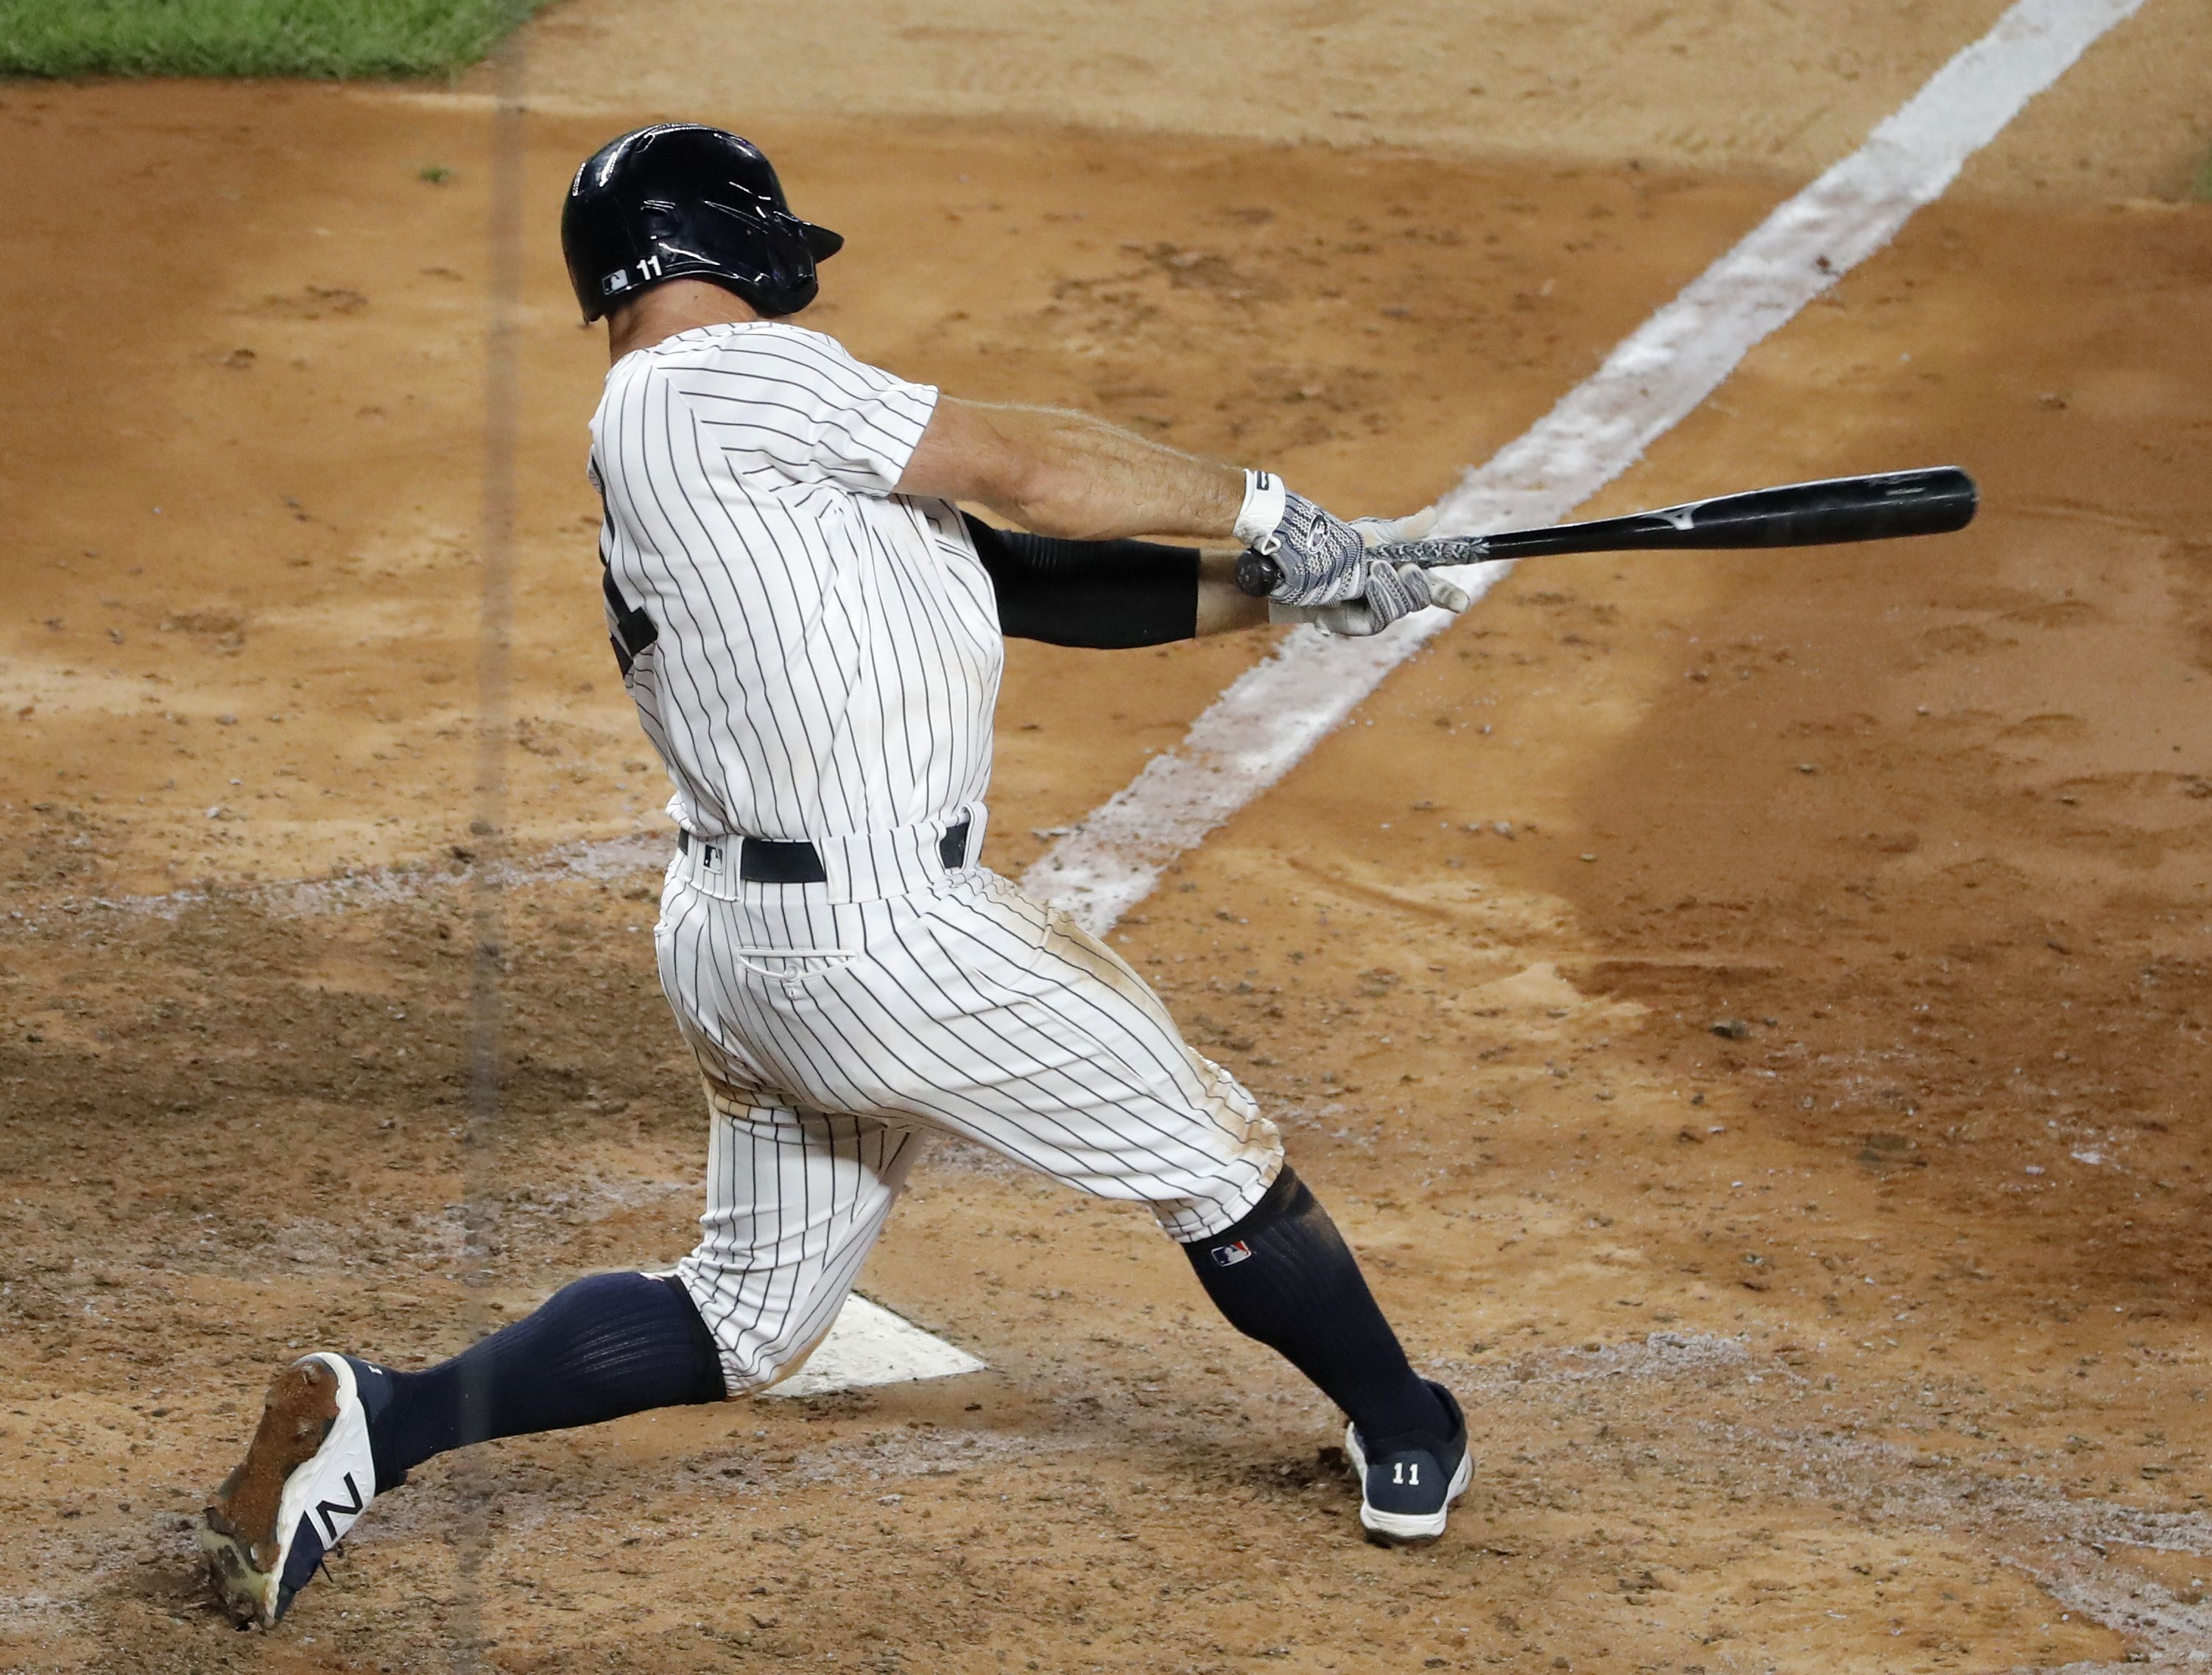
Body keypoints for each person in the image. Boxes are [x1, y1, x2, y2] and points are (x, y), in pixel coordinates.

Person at [200, 122, 1475, 1631]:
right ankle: (1404, 1423)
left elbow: (1029, 583)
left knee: (741, 1319)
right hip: (891, 940)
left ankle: (385, 1417)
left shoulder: (714, 452)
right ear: (726, 243)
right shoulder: (721, 376)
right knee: (1212, 1157)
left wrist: (1295, 590)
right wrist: (1269, 509)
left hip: (742, 945)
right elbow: (1032, 467)